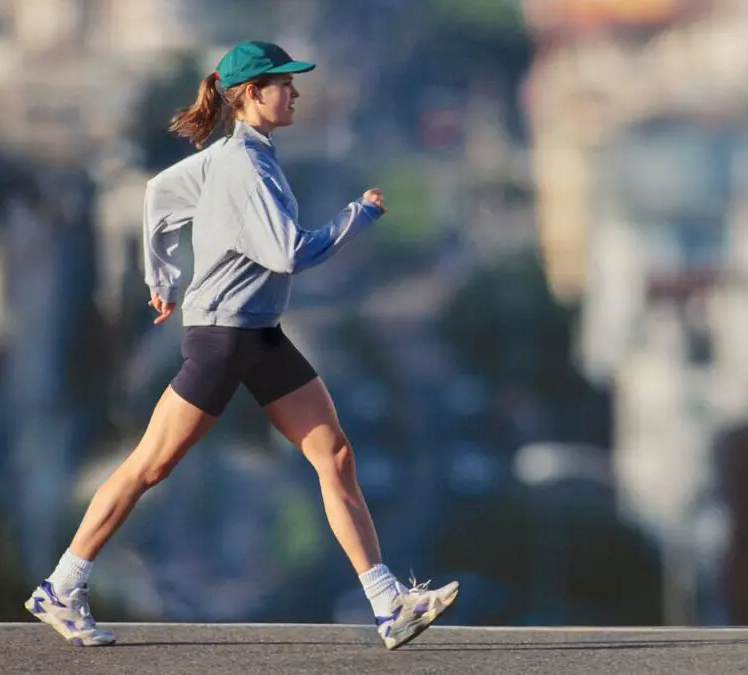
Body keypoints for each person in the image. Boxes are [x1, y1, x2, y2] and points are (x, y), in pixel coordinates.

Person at [25, 40, 458, 650]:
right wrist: (357, 216)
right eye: (285, 83)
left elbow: (157, 195)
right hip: (225, 339)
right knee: (150, 465)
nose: (296, 93)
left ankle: (390, 605)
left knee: (333, 455)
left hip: (259, 334)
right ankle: (62, 587)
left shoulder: (234, 156)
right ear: (252, 93)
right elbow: (288, 252)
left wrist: (163, 279)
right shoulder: (243, 167)